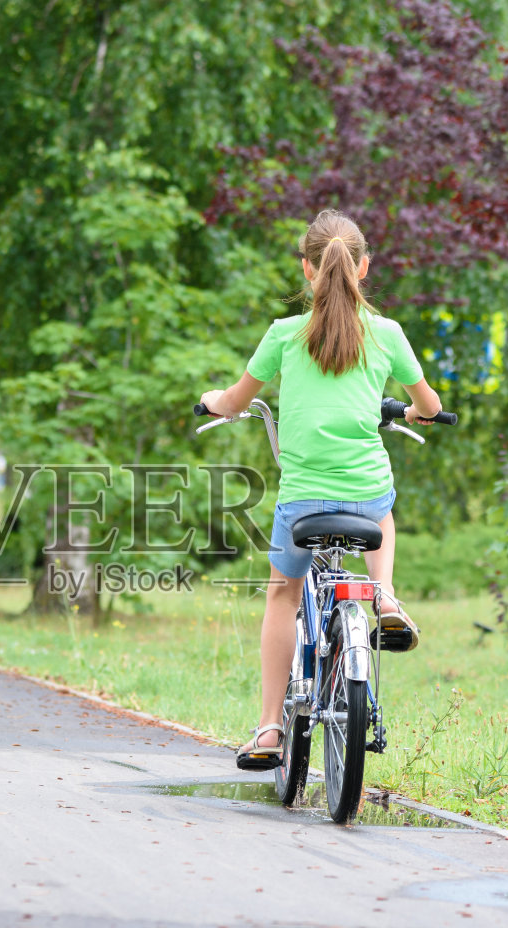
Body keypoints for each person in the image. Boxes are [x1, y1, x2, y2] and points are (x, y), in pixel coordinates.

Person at [197, 209, 443, 771]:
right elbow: (428, 405)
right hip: (364, 491)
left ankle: (267, 728)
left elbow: (235, 401)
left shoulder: (285, 335)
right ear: (362, 268)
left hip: (303, 499)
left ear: (308, 269)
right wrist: (415, 413)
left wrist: (215, 400)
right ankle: (382, 595)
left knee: (283, 593)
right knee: (383, 512)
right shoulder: (388, 333)